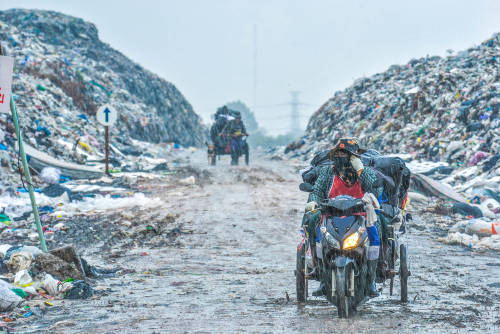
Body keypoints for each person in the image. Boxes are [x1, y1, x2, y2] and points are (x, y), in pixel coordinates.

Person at [305, 138, 383, 297]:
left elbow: (376, 189)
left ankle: (371, 279)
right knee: (313, 224)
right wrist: (313, 202)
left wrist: (360, 170)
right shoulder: (328, 172)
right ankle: (321, 275)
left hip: (359, 214)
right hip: (330, 213)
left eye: (345, 153)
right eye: (338, 153)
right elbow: (318, 190)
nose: (341, 156)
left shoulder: (363, 171)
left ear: (353, 156)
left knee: (378, 230)